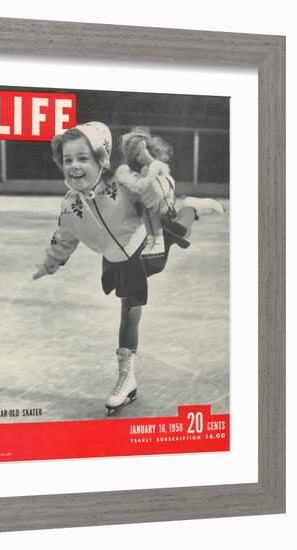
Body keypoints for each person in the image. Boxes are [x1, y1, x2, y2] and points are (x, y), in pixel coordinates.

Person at [32, 121, 223, 414]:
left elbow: (160, 186)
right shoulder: (69, 206)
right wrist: (50, 262)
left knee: (179, 232)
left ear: (102, 159)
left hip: (146, 246)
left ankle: (191, 207)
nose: (74, 166)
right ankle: (127, 376)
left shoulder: (122, 184)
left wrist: (157, 184)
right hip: (116, 260)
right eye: (68, 159)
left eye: (83, 158)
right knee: (129, 312)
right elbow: (63, 238)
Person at [116, 126, 224, 276]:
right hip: (150, 226)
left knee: (183, 230)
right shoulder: (132, 174)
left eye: (142, 153)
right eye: (135, 155)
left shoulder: (159, 172)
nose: (139, 158)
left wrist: (146, 156)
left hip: (170, 220)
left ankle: (190, 206)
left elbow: (157, 185)